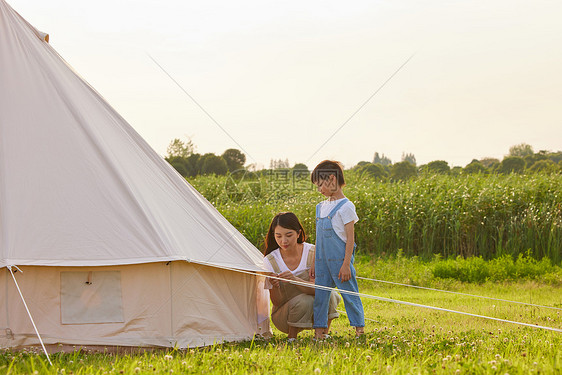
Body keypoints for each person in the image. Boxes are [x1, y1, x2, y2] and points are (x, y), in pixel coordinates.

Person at [263, 212, 341, 339]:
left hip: (313, 309)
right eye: (278, 236)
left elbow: (319, 289)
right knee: (304, 301)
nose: (283, 241)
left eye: (289, 235)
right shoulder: (270, 260)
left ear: (298, 233)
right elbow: (277, 302)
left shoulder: (313, 252)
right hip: (284, 315)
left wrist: (294, 280)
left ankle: (322, 334)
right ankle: (292, 337)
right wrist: (275, 287)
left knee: (331, 294)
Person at [310, 160, 365, 339]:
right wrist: (313, 264)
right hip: (321, 262)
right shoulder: (320, 207)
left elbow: (350, 239)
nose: (319, 190)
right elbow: (318, 239)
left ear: (332, 179)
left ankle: (359, 331)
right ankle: (319, 333)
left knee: (350, 295)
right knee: (320, 298)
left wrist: (346, 264)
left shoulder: (346, 206)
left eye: (320, 185)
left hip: (340, 262)